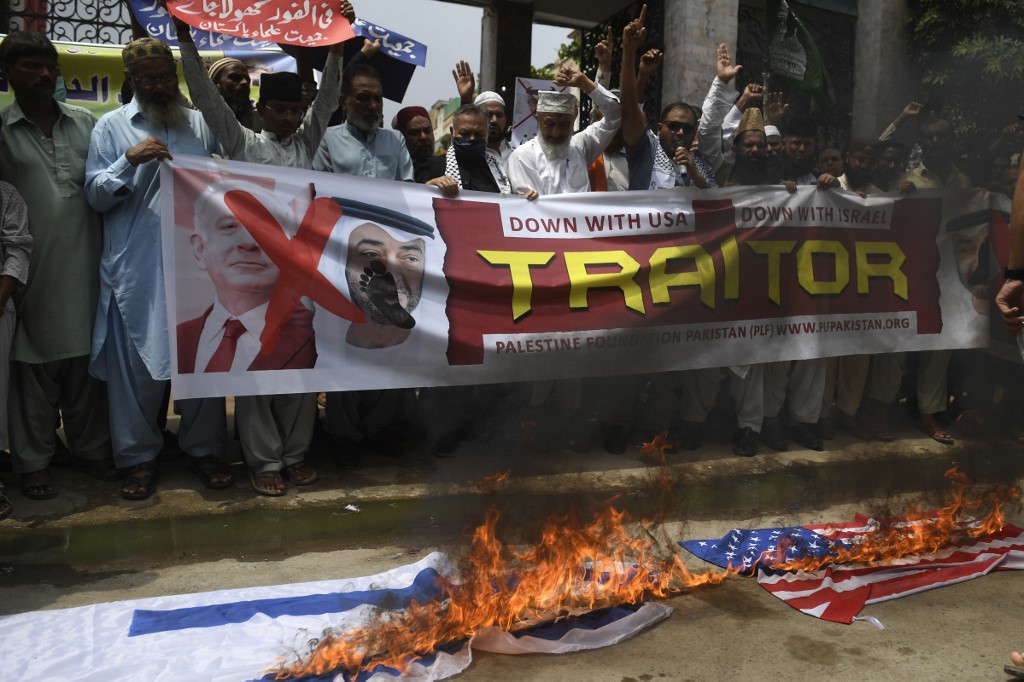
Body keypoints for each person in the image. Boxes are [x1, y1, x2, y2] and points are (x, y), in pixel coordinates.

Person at [85, 37, 230, 500]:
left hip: (198, 265)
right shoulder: (110, 127)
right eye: (148, 79)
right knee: (138, 372)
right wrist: (129, 163)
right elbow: (95, 195)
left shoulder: (201, 125)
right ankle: (138, 458)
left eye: (165, 77)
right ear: (132, 82)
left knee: (200, 360)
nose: (159, 86)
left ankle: (204, 451)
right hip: (140, 270)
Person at [0, 31, 113, 501]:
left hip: (87, 265)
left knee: (86, 362)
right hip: (29, 271)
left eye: (49, 65)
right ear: (7, 73)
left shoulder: (88, 123)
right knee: (31, 369)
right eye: (31, 66)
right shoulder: (2, 133)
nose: (45, 74)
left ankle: (91, 449)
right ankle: (33, 461)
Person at [506, 65, 621, 195]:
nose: (556, 132)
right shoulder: (523, 156)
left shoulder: (581, 146)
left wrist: (585, 84)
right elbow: (535, 211)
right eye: (549, 124)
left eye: (564, 125)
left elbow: (616, 114)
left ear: (573, 121)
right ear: (538, 118)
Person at [313, 63, 413, 181]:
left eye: (378, 99)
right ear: (344, 102)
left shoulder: (396, 140)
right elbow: (321, 188)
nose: (373, 106)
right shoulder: (326, 139)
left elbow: (408, 188)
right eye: (363, 98)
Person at [207, 56, 260, 132]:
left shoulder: (258, 118)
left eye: (247, 79)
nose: (244, 82)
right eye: (235, 77)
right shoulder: (200, 116)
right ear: (215, 83)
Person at [392, 105, 436, 183]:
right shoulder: (393, 171)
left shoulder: (446, 165)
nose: (423, 137)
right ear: (402, 137)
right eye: (415, 133)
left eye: (427, 131)